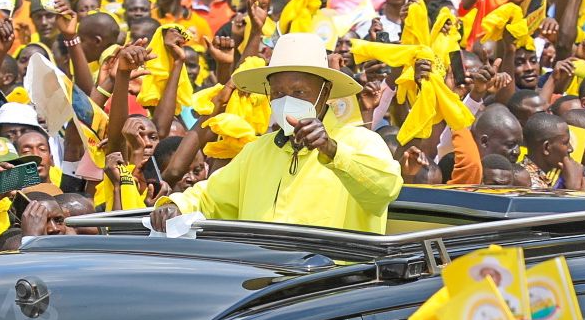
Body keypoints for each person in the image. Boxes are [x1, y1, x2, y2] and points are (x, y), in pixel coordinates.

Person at [151, 33, 403, 234]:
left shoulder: (361, 141)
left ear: (325, 92)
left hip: (332, 277)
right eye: (278, 93)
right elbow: (211, 196)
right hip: (263, 274)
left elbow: (385, 189)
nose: (286, 100)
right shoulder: (257, 150)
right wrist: (176, 205)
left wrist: (332, 150)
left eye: (299, 92)